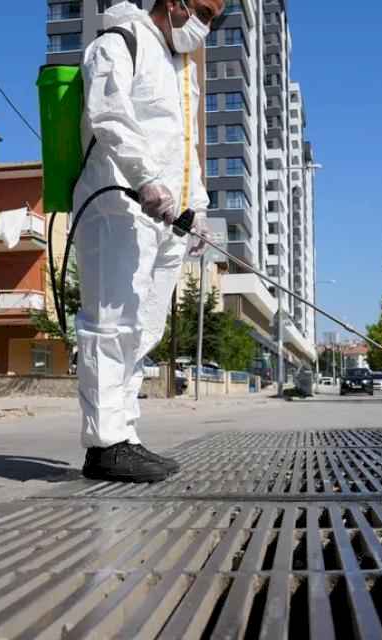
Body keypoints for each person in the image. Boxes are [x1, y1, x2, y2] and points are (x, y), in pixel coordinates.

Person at [75, 0, 223, 483]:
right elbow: (109, 116)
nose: (206, 24)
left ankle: (127, 435)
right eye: (203, 10)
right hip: (119, 204)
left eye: (215, 16)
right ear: (175, 2)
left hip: (170, 216)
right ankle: (104, 444)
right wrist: (146, 180)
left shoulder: (181, 68)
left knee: (144, 329)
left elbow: (185, 144)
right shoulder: (118, 42)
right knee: (112, 323)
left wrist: (196, 206)